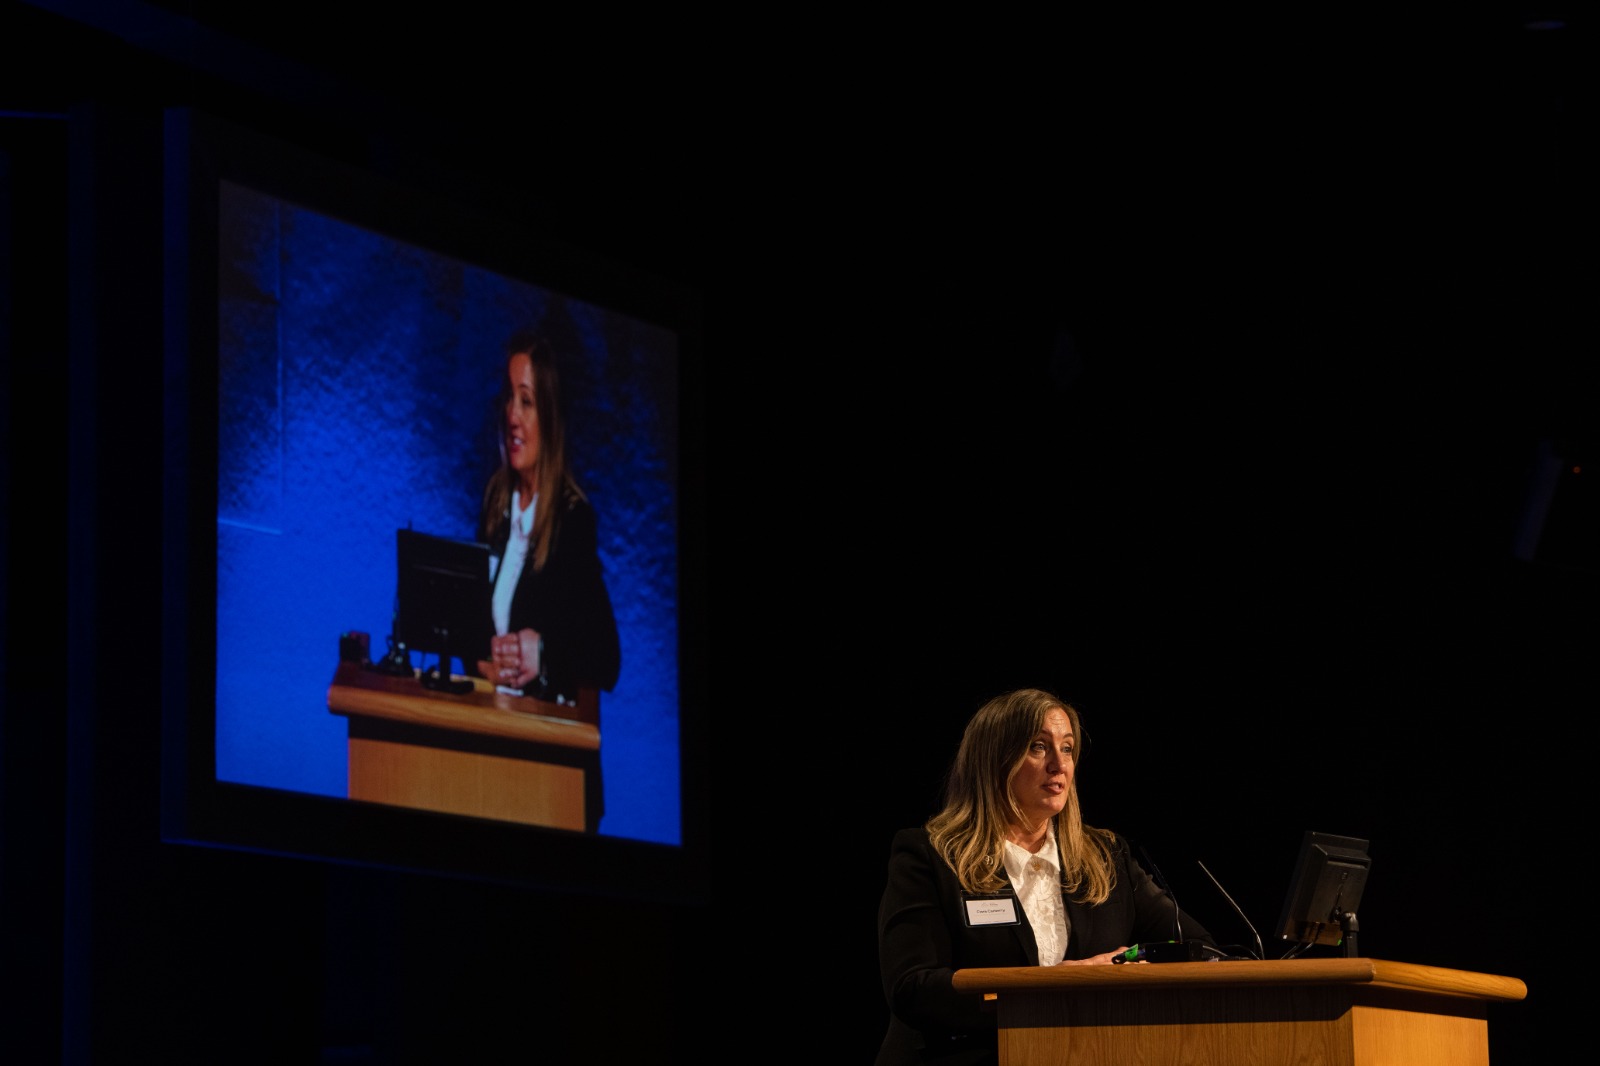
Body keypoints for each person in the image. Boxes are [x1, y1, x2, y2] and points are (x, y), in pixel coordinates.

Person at [875, 688, 1217, 1066]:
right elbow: (913, 988)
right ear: (994, 760)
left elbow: (1199, 949)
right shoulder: (932, 856)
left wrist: (1131, 972)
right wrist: (1052, 985)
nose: (1059, 765)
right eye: (1038, 747)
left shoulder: (1106, 857)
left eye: (1068, 748)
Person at [475, 329, 622, 707]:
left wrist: (541, 651)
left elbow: (605, 659)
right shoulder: (496, 504)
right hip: (492, 726)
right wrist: (482, 662)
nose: (512, 415)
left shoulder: (572, 521)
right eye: (510, 398)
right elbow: (472, 625)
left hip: (546, 746)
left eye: (527, 402)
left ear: (551, 417)